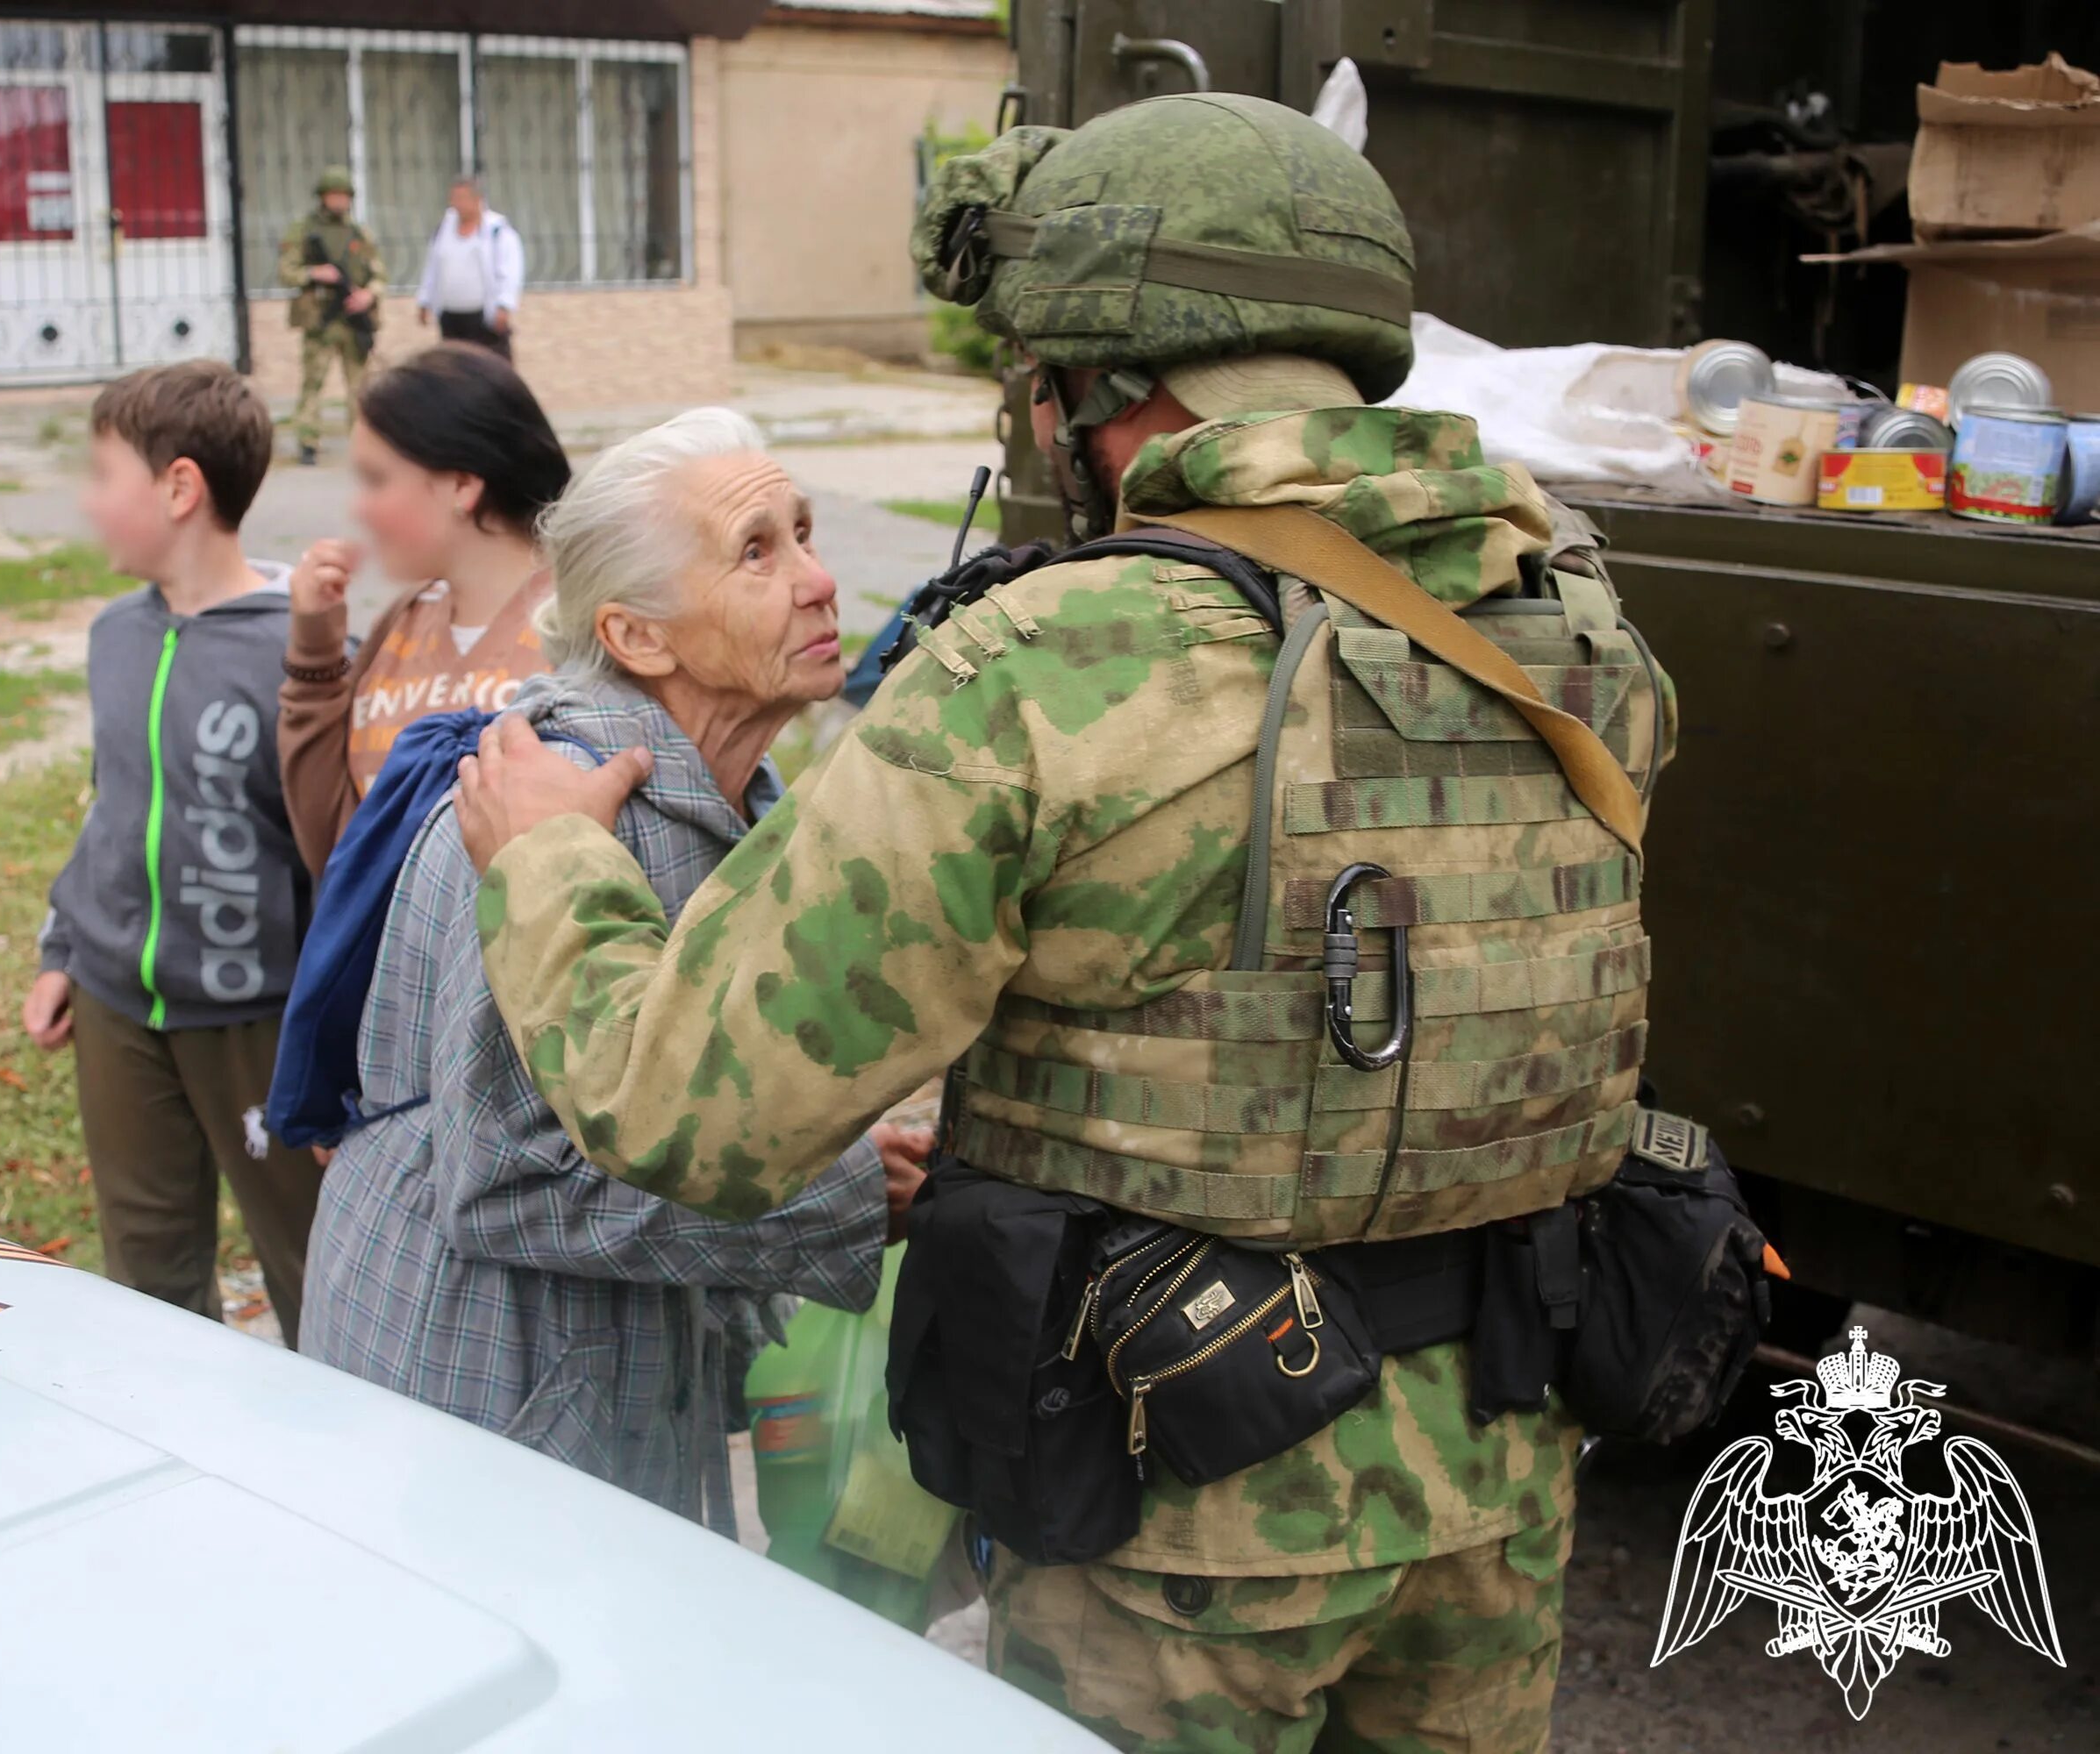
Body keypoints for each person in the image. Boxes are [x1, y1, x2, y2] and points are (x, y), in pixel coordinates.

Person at [446, 94, 1675, 1750]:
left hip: (1183, 1532)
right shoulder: (1578, 628)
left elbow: (690, 1111)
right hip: (1498, 1483)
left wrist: (544, 870)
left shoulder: (1044, 667)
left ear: (1090, 384)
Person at [297, 407, 930, 1528]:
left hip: (586, 1360)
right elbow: (508, 1180)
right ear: (638, 637)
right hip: (491, 1374)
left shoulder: (711, 803)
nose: (821, 580)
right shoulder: (568, 809)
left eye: (805, 532)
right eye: (756, 551)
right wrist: (829, 1193)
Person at [22, 360, 325, 1345]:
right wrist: (66, 948)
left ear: (179, 487)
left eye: (105, 472)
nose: (89, 499)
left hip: (258, 1023)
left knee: (314, 1268)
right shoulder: (116, 635)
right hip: (118, 1006)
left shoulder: (302, 651)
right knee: (146, 1280)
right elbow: (116, 808)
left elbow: (332, 849)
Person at [277, 344, 568, 879]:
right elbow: (339, 853)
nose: (359, 508)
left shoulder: (579, 628)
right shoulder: (401, 625)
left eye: (377, 479)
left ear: (463, 485)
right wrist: (315, 653)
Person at [277, 165, 384, 467]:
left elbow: (379, 274)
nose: (339, 201)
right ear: (323, 197)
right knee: (313, 383)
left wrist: (368, 295)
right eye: (333, 195)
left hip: (353, 320)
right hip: (320, 318)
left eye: (343, 196)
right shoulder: (305, 230)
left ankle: (362, 443)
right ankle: (308, 441)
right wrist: (314, 273)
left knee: (360, 387)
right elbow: (287, 272)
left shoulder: (359, 232)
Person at [413, 176, 524, 360]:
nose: (457, 204)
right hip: (451, 317)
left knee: (490, 365)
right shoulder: (444, 230)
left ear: (477, 200)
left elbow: (510, 271)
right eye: (454, 198)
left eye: (462, 198)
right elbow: (433, 267)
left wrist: (504, 305)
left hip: (484, 318)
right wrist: (425, 301)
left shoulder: (497, 231)